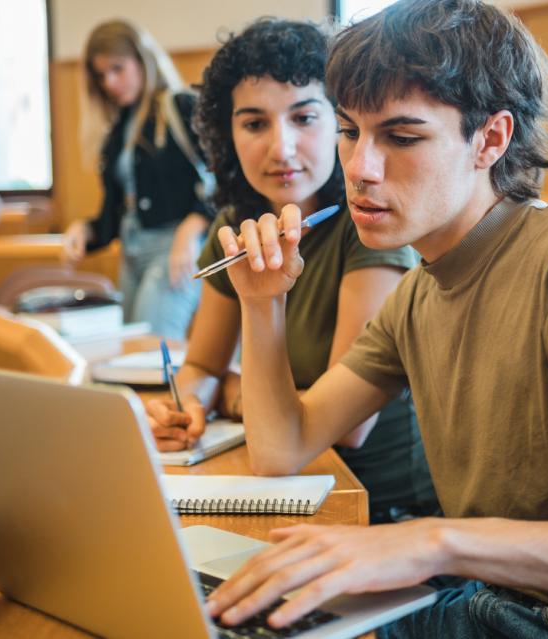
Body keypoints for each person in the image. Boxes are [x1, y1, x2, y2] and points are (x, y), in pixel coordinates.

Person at [203, 1, 548, 637]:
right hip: (496, 600)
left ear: (491, 139)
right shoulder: (416, 295)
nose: (359, 168)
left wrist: (435, 542)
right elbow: (279, 448)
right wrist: (264, 303)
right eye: (349, 131)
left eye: (401, 137)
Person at [144, 18, 437, 524]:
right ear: (226, 133)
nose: (280, 148)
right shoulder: (237, 223)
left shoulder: (369, 225)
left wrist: (236, 393)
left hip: (376, 505)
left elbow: (344, 428)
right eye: (255, 124)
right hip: (287, 481)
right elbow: (202, 366)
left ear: (342, 123)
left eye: (304, 119)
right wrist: (186, 404)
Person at [62, 20, 214, 339]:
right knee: (129, 349)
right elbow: (113, 214)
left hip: (174, 245)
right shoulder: (118, 129)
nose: (110, 82)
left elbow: (224, 178)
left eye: (117, 68)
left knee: (151, 348)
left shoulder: (179, 106)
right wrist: (85, 230)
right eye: (102, 75)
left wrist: (190, 231)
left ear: (142, 59)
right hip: (131, 247)